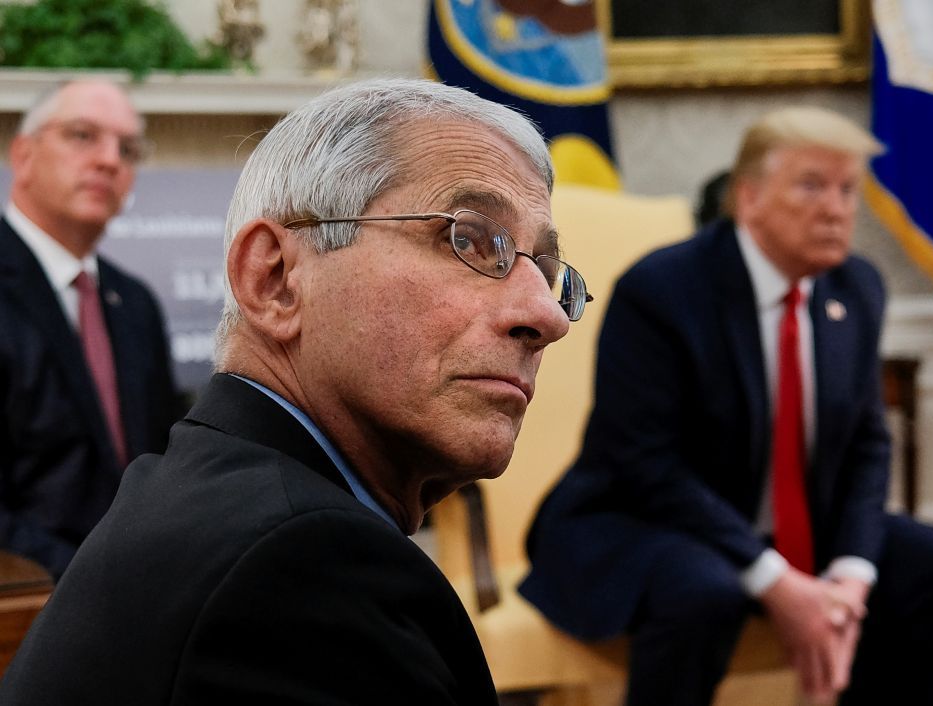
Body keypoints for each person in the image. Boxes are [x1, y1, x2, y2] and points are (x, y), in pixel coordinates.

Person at [0, 77, 590, 704]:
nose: (547, 316)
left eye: (546, 270)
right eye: (467, 239)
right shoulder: (301, 562)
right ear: (275, 279)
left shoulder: (224, 506)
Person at [520, 106, 933, 706]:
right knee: (705, 589)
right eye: (812, 186)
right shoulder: (663, 289)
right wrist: (777, 581)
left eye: (847, 189)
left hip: (791, 528)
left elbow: (868, 443)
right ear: (749, 198)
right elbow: (643, 463)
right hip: (642, 522)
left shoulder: (856, 287)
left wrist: (851, 574)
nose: (837, 209)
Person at [0, 80, 178, 579]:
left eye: (127, 149)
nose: (109, 160)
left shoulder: (135, 302)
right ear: (24, 155)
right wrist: (92, 581)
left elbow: (163, 462)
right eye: (83, 135)